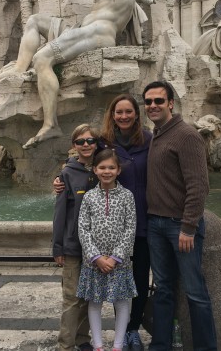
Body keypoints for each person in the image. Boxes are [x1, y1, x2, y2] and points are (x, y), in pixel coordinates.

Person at [0, 0, 148, 150]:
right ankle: (19, 67)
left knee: (42, 58)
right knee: (35, 20)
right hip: (86, 30)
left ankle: (50, 124)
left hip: (98, 33)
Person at [54, 94, 151, 351]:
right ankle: (77, 343)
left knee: (124, 295)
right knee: (83, 299)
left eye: (90, 141)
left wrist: (117, 255)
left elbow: (129, 226)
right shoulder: (83, 171)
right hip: (88, 254)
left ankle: (121, 337)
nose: (86, 144)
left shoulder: (147, 140)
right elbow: (73, 217)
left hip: (123, 247)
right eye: (118, 112)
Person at [143, 80, 218, 350]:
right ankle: (160, 343)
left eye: (158, 101)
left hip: (179, 227)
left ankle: (206, 347)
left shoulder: (186, 135)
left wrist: (188, 226)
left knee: (195, 291)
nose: (152, 105)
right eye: (148, 102)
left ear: (171, 103)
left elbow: (199, 185)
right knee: (163, 288)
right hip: (155, 224)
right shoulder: (157, 135)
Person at [77, 148, 138, 351]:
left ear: (118, 170)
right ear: (95, 170)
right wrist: (96, 257)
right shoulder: (89, 197)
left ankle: (118, 345)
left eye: (111, 167)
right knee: (94, 302)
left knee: (121, 302)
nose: (107, 171)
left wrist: (115, 257)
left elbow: (130, 228)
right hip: (93, 263)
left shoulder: (127, 196)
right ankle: (98, 345)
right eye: (102, 167)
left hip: (119, 263)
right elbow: (83, 228)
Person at [53, 124, 99, 351]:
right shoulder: (67, 174)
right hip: (73, 246)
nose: (86, 145)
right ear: (74, 146)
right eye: (81, 141)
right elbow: (60, 213)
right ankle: (65, 345)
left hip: (98, 247)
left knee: (89, 297)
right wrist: (57, 247)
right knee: (72, 298)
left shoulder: (103, 168)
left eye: (90, 140)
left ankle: (83, 339)